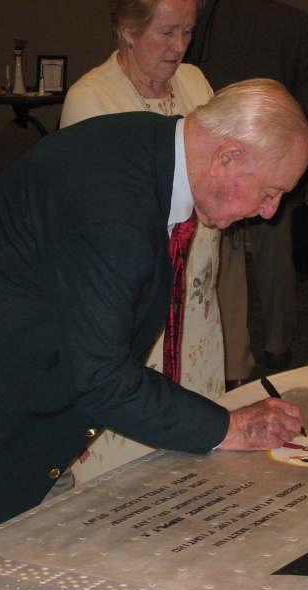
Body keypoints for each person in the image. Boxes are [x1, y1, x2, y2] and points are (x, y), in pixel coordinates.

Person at [0, 78, 308, 546]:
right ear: (227, 157)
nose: (270, 211)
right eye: (269, 191)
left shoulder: (150, 142)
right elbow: (101, 377)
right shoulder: (118, 213)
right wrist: (229, 427)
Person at [60, 0, 222, 483]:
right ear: (127, 29)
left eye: (188, 32)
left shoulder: (196, 84)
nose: (180, 47)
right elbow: (107, 217)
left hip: (195, 302)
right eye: (167, 32)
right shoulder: (92, 99)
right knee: (126, 461)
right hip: (131, 302)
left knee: (202, 452)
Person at [186, 0, 308, 389]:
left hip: (226, 159)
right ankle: (279, 343)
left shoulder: (207, 13)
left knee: (225, 264)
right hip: (277, 160)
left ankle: (234, 362)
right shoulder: (294, 21)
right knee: (276, 254)